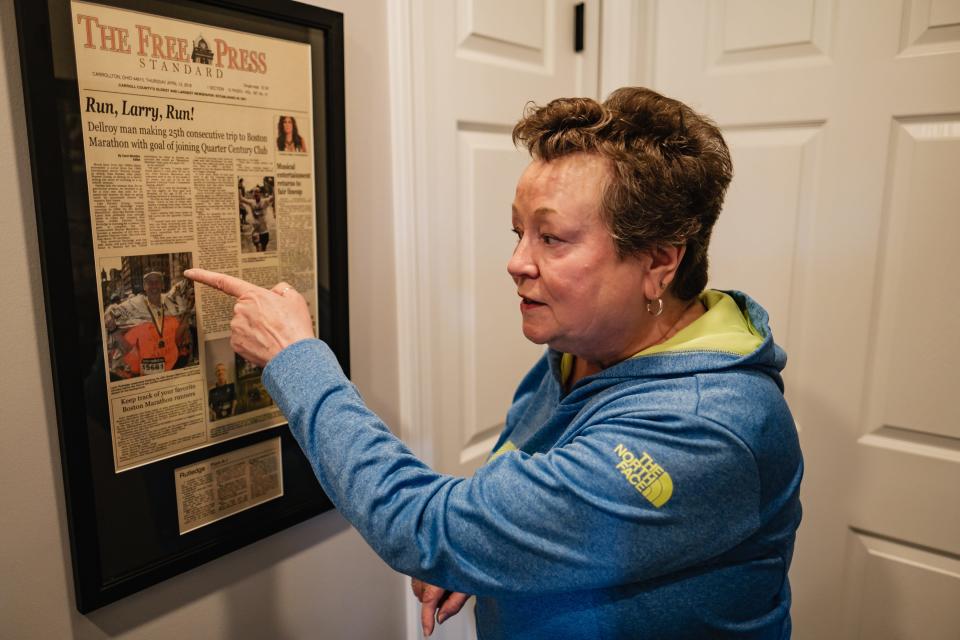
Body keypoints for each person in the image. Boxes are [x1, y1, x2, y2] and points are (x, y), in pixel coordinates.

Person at [187, 87, 803, 639]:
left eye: (551, 238)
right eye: (518, 232)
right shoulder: (581, 345)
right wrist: (499, 547)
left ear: (659, 261)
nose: (517, 262)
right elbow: (529, 472)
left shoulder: (707, 428)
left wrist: (297, 361)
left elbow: (423, 524)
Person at [104, 271, 184, 377]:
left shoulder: (171, 303)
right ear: (144, 287)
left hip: (172, 367)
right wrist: (111, 323)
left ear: (162, 285)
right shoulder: (135, 307)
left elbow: (178, 333)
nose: (154, 285)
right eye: (149, 282)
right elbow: (111, 313)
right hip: (149, 372)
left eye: (157, 282)